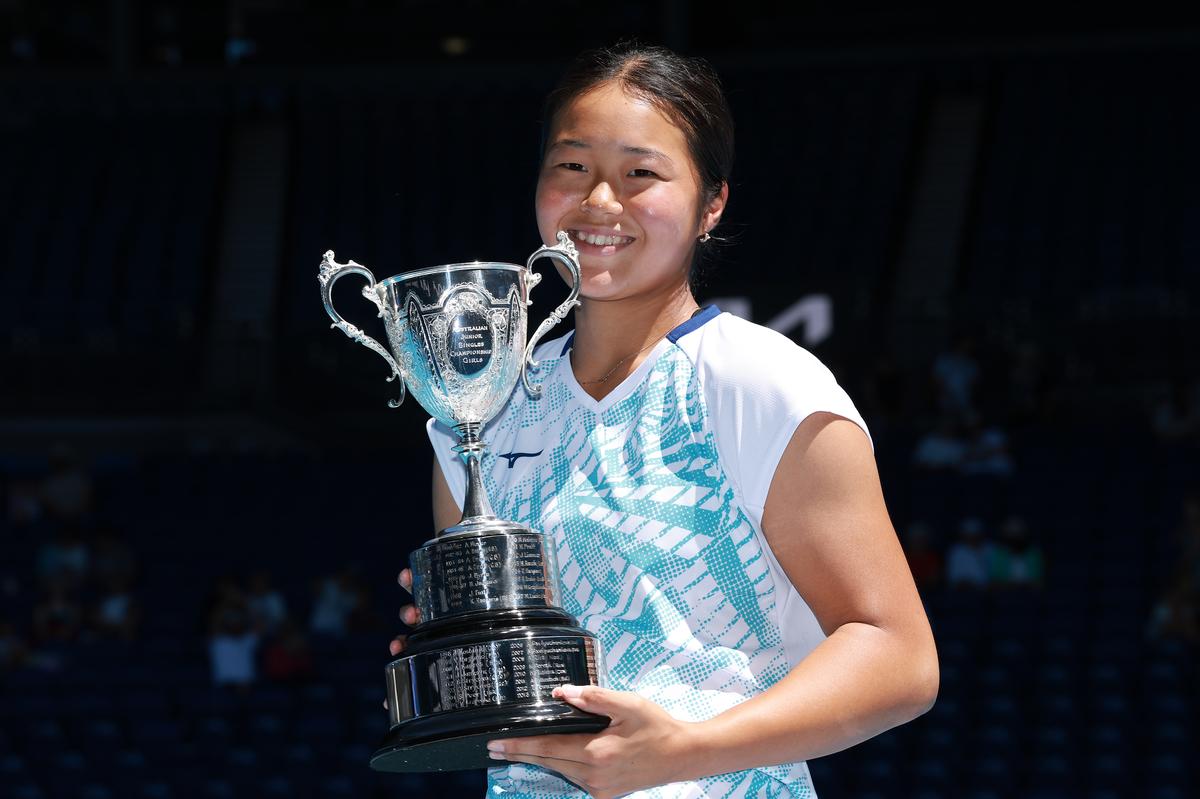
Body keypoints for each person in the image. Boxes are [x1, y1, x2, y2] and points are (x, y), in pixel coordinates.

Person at [389, 43, 938, 798]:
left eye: (640, 173)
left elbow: (899, 657)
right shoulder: (481, 407)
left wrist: (683, 749)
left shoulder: (763, 384)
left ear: (712, 202)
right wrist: (457, 650)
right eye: (572, 166)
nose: (599, 202)